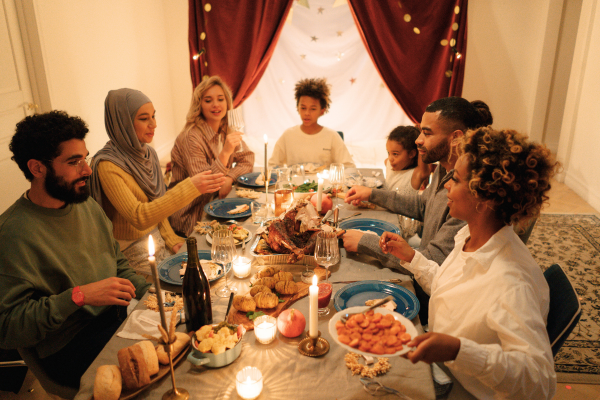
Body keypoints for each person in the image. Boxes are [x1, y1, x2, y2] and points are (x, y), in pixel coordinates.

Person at [379, 127, 558, 399]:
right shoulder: (470, 235)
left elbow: (539, 380)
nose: (447, 185)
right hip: (444, 364)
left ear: (484, 197)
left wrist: (458, 350)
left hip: (464, 387)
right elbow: (451, 289)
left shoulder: (511, 281)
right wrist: (412, 258)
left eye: (457, 179)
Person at [0, 111, 151, 389]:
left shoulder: (83, 203)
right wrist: (78, 296)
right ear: (37, 168)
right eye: (74, 161)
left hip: (116, 320)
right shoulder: (12, 234)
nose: (87, 170)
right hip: (70, 347)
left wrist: (151, 298)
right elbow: (8, 328)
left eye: (85, 157)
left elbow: (118, 264)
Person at [343, 97, 492, 323]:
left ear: (456, 138)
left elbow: (432, 261)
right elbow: (424, 206)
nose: (419, 141)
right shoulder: (444, 168)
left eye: (427, 133)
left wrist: (366, 242)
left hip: (431, 294)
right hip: (422, 269)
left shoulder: (466, 194)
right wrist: (373, 194)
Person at [89, 89, 225, 276]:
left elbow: (158, 203)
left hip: (159, 237)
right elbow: (140, 216)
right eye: (144, 119)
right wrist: (190, 187)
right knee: (184, 285)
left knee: (212, 266)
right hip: (129, 250)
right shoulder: (107, 165)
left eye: (153, 116)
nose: (154, 124)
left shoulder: (147, 153)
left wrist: (171, 239)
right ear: (123, 123)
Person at [169, 76, 254, 237]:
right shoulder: (191, 137)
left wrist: (229, 178)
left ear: (227, 103)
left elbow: (247, 157)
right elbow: (206, 185)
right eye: (208, 100)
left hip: (216, 206)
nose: (216, 104)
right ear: (199, 105)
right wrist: (226, 152)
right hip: (191, 216)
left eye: (220, 99)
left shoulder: (225, 129)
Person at [268, 77, 355, 168]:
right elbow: (273, 165)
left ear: (322, 111)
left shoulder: (332, 136)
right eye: (303, 108)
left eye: (313, 109)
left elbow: (348, 166)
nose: (307, 113)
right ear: (298, 108)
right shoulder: (288, 135)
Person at [383, 125, 419, 195]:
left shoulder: (416, 175)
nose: (390, 158)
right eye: (388, 153)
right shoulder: (388, 163)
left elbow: (424, 170)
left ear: (411, 153)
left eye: (395, 154)